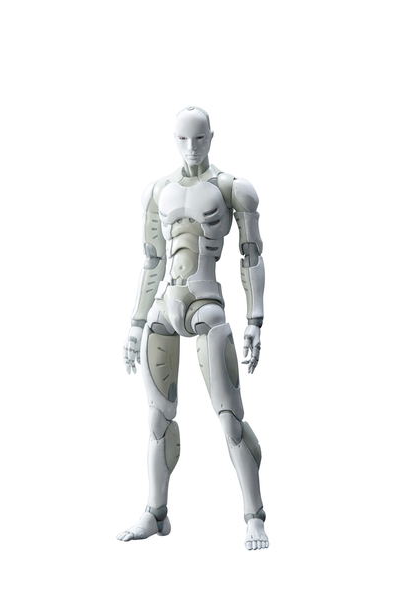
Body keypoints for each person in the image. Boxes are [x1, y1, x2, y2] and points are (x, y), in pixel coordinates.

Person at [117, 106, 268, 550]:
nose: (191, 147)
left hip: (206, 305)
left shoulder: (232, 188)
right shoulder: (157, 191)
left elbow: (252, 256)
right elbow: (151, 262)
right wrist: (135, 323)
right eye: (183, 139)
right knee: (157, 418)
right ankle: (155, 513)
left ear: (211, 138)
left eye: (199, 138)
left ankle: (254, 517)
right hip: (164, 307)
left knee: (230, 418)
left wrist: (256, 321)